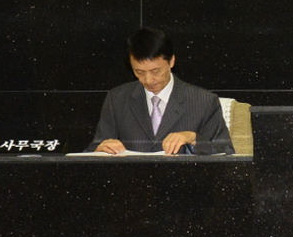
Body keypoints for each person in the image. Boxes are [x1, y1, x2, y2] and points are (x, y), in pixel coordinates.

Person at [90, 27, 233, 155]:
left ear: (171, 61)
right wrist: (100, 149)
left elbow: (226, 151)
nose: (148, 80)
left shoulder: (203, 101)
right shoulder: (117, 99)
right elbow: (93, 149)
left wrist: (194, 139)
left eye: (155, 71)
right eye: (139, 72)